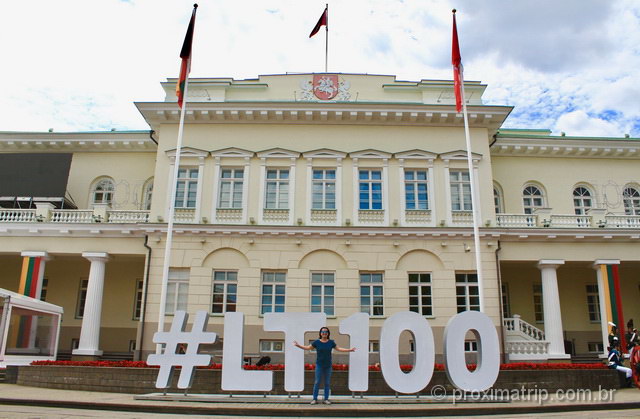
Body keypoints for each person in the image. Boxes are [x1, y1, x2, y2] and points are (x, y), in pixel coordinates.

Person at [293, 326, 355, 404]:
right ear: (320, 333)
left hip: (328, 365)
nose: (324, 333)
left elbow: (339, 349)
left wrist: (350, 350)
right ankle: (314, 399)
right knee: (317, 382)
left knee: (327, 383)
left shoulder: (331, 342)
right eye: (323, 332)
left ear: (328, 333)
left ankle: (326, 399)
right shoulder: (317, 342)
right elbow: (308, 348)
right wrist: (298, 345)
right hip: (319, 365)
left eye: (326, 332)